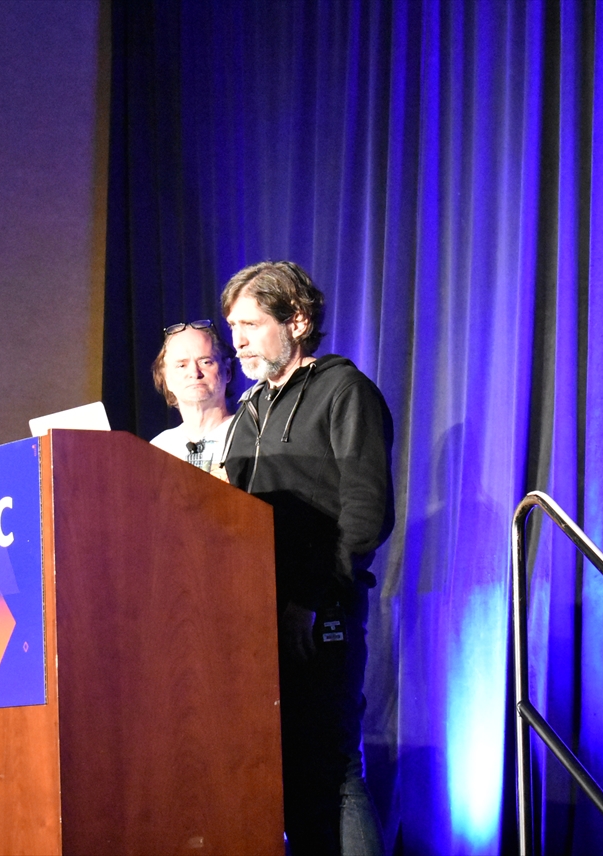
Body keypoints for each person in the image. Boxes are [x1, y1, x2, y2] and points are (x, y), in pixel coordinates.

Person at [219, 261, 394, 856]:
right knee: (287, 774)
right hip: (254, 617)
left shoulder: (344, 391)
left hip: (320, 614)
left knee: (332, 771)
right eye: (233, 327)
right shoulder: (250, 409)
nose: (237, 341)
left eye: (250, 325)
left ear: (296, 320)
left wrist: (309, 600)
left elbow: (366, 512)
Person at [149, 320, 235, 475]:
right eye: (181, 365)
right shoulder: (158, 449)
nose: (195, 373)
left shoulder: (251, 437)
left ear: (227, 371)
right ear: (166, 380)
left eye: (206, 362)